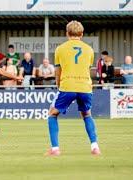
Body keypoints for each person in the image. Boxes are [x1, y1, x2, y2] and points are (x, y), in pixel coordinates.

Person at [45, 20, 101, 156]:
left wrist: (59, 86)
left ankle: (55, 149)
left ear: (67, 33)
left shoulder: (60, 49)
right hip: (85, 86)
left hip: (68, 85)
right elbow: (88, 70)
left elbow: (58, 71)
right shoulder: (89, 50)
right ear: (81, 34)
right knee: (87, 114)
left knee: (52, 114)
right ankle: (95, 147)